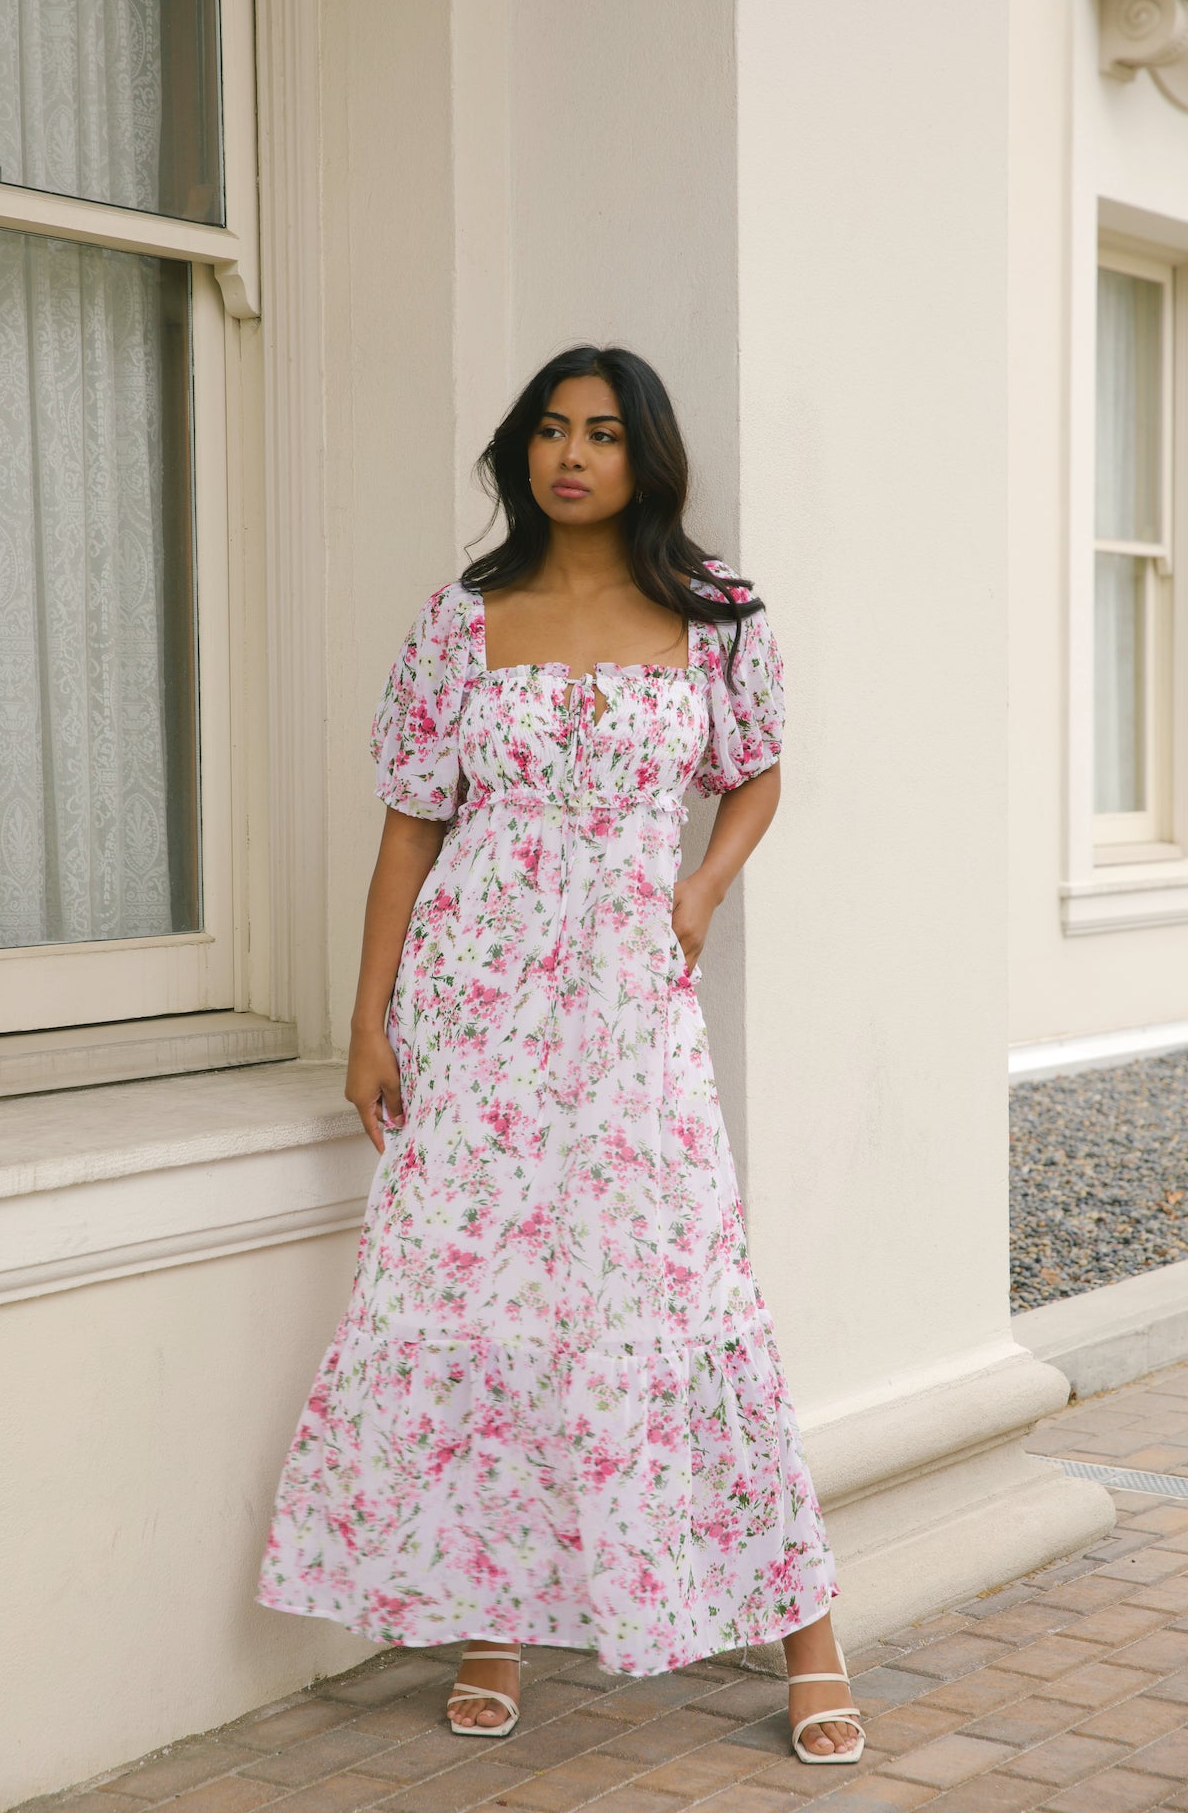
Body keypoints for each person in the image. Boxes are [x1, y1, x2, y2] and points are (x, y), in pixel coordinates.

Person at [256, 345, 863, 1763]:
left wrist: (700, 890)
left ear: (646, 455)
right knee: (482, 1295)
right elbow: (411, 824)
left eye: (600, 433)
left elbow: (761, 761)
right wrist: (369, 1024)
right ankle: (491, 1613)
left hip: (628, 1008)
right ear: (520, 453)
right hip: (473, 1007)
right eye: (547, 431)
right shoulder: (462, 622)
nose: (570, 455)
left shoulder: (717, 620)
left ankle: (811, 1631)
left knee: (679, 1282)